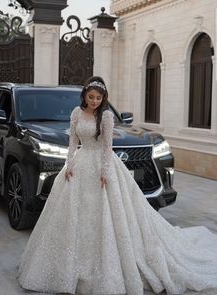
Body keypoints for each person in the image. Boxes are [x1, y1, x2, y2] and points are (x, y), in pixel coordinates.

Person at [18, 76, 217, 295]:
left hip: (102, 165)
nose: (94, 101)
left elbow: (107, 147)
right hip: (82, 162)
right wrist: (70, 162)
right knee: (76, 212)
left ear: (103, 98)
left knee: (109, 212)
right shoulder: (76, 113)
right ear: (84, 94)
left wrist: (105, 171)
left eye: (98, 98)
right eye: (91, 97)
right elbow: (73, 139)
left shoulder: (106, 116)